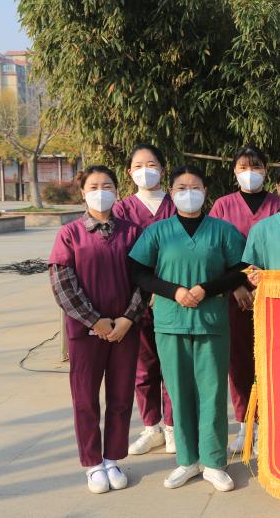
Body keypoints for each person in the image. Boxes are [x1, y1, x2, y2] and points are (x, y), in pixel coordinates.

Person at [129, 165, 248, 492]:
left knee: (212, 392)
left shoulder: (222, 231)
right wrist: (174, 292)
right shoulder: (158, 232)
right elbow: (138, 271)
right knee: (179, 393)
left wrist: (205, 289)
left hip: (211, 322)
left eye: (195, 187)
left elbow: (240, 268)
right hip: (171, 322)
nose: (188, 193)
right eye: (181, 188)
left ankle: (214, 461)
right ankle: (187, 460)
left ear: (205, 191)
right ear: (171, 193)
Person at [49, 165, 145, 494]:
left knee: (121, 396)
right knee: (85, 399)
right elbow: (63, 283)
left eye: (107, 186)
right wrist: (95, 320)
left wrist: (128, 318)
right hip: (85, 333)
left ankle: (112, 458)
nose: (100, 191)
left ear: (117, 192)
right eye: (93, 186)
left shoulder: (132, 233)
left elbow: (144, 279)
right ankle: (92, 463)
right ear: (83, 193)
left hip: (124, 331)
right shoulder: (70, 234)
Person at [208, 145, 280, 454]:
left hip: (273, 296)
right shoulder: (223, 206)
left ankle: (270, 424)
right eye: (243, 167)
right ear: (234, 171)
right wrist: (236, 287)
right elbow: (213, 251)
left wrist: (266, 286)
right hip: (235, 299)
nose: (250, 173)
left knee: (272, 359)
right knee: (238, 361)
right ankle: (245, 424)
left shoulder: (278, 203)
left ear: (266, 171)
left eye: (256, 167)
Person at [112, 144, 178, 457]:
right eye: (138, 165)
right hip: (136, 302)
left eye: (151, 164)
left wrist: (164, 290)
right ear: (129, 172)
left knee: (173, 365)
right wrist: (142, 295)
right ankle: (152, 427)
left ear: (163, 169)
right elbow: (120, 259)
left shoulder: (177, 204)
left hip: (173, 298)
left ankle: (174, 426)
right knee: (144, 367)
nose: (145, 170)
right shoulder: (121, 210)